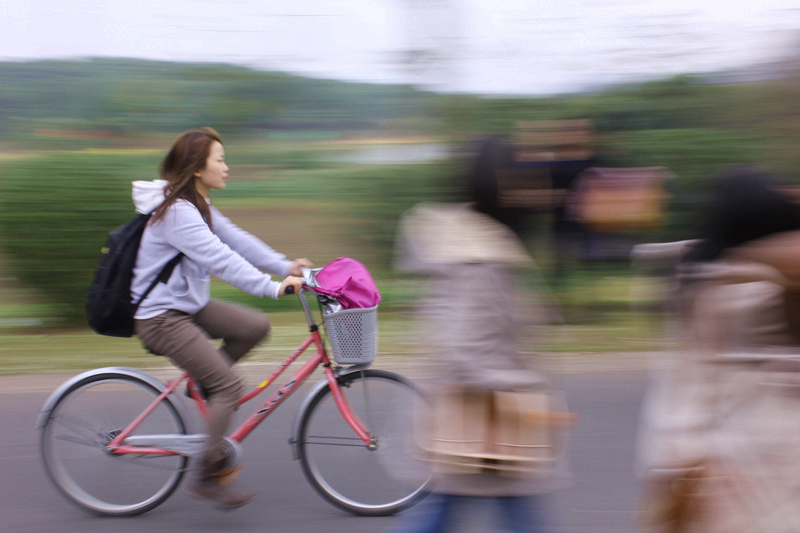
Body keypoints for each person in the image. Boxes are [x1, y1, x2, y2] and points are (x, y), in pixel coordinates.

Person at [390, 138, 569, 533]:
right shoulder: (478, 255)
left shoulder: (477, 241)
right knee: (460, 512)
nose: (539, 189)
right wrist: (527, 386)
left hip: (478, 417)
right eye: (528, 180)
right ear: (503, 186)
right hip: (480, 414)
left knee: (443, 512)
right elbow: (462, 346)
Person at [130, 127, 312, 508]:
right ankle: (206, 474)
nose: (227, 167)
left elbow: (236, 239)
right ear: (198, 168)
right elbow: (221, 259)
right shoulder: (178, 212)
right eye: (220, 159)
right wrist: (273, 287)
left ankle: (202, 385)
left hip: (187, 305)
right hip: (161, 317)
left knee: (255, 326)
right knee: (229, 387)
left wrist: (284, 265)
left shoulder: (198, 204)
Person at [636, 167, 800, 532]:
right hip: (765, 464)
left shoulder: (701, 281)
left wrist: (671, 461)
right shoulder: (768, 285)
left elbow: (684, 396)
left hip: (721, 465)